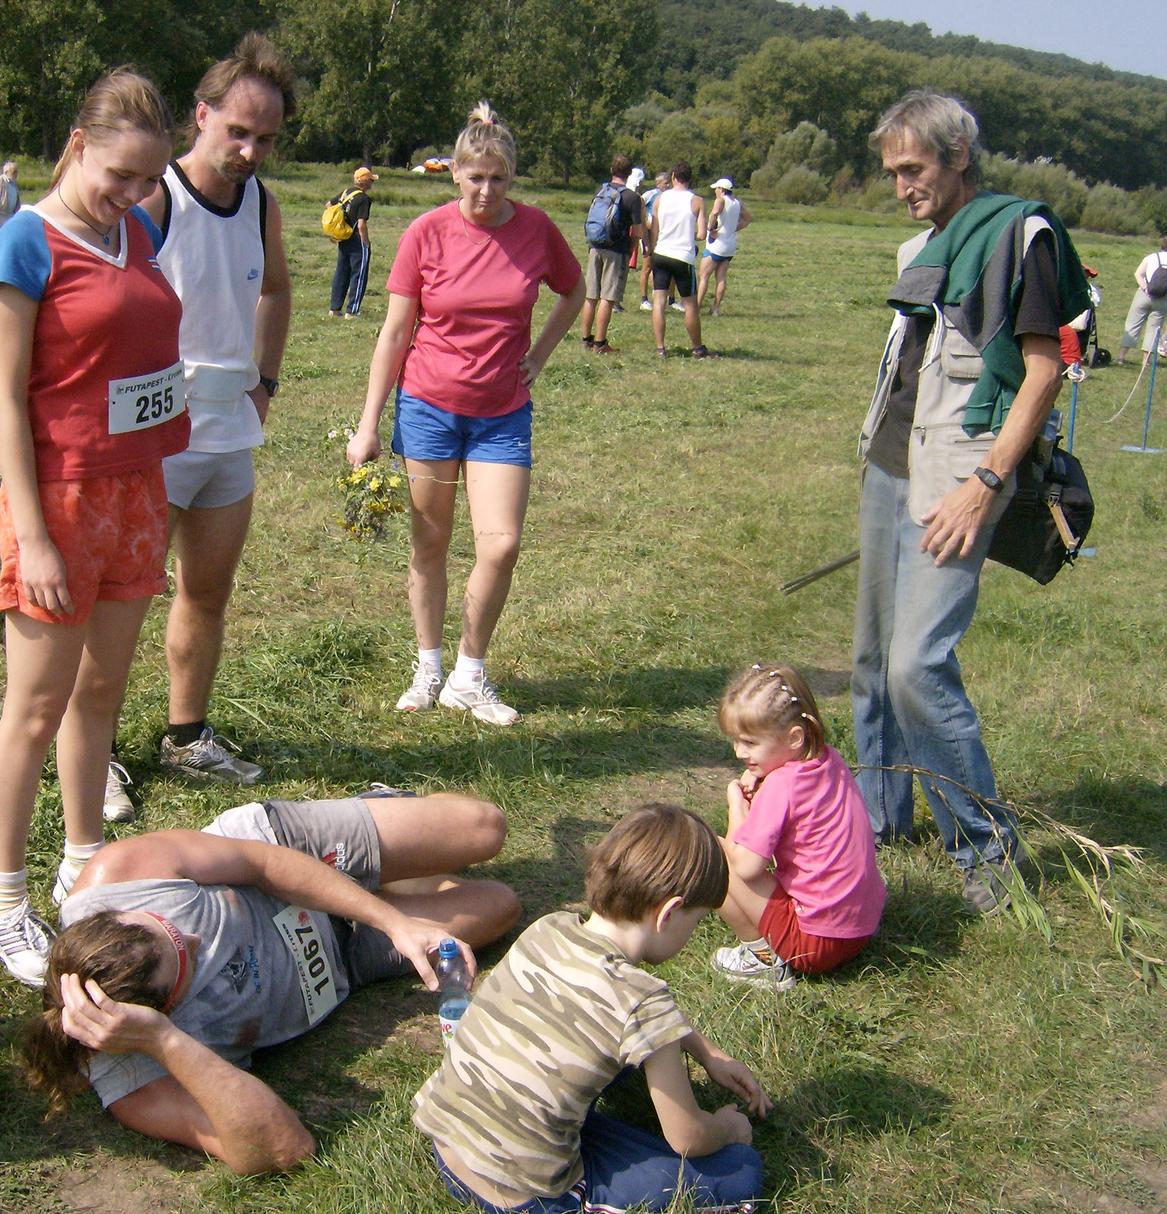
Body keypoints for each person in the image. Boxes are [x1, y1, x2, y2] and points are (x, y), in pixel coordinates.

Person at [0, 70, 186, 986]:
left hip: (136, 491)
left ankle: (82, 867)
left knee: (101, 697)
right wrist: (36, 533)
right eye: (121, 174)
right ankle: (3, 902)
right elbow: (5, 404)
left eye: (150, 179)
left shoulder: (134, 230)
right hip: (57, 502)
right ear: (76, 143)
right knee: (35, 708)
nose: (135, 195)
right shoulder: (22, 246)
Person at [854, 90, 1089, 914]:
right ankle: (876, 822)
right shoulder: (923, 243)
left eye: (913, 168)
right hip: (891, 463)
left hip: (960, 478)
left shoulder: (1021, 235)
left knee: (917, 664)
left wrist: (985, 481)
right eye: (892, 173)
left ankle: (989, 857)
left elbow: (1043, 370)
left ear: (959, 156)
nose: (902, 186)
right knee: (872, 664)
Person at [22, 790, 521, 1174]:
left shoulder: (119, 876)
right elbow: (286, 1147)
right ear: (160, 1010)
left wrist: (394, 923)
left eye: (170, 928)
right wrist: (166, 1043)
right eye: (185, 960)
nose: (196, 941)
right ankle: (395, 877)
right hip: (340, 962)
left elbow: (258, 863)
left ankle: (378, 830)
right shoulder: (135, 1083)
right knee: (500, 905)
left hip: (289, 855)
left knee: (486, 828)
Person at [346, 104, 584, 727]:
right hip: (427, 406)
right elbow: (395, 333)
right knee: (430, 541)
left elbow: (573, 290)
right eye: (474, 177)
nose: (485, 191)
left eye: (498, 179)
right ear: (454, 173)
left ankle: (468, 675)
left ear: (511, 180)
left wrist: (539, 354)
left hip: (502, 412)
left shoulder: (535, 230)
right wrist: (369, 424)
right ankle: (428, 667)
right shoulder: (425, 233)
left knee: (501, 545)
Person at [413, 802, 767, 1213]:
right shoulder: (641, 1001)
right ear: (669, 914)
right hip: (526, 1196)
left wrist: (705, 1052)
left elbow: (640, 1019)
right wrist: (726, 1127)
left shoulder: (548, 928)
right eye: (699, 920)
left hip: (448, 1149)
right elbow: (687, 1136)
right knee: (740, 1171)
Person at [121, 32, 294, 797]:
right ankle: (91, 757)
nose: (251, 150)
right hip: (153, 437)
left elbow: (276, 290)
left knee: (206, 594)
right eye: (238, 131)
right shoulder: (155, 194)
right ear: (201, 115)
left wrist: (265, 379)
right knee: (122, 599)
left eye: (266, 138)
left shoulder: (261, 204)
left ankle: (185, 736)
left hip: (228, 434)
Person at [710, 664, 885, 991]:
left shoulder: (783, 785)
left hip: (815, 943)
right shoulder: (829, 760)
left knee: (706, 854)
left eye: (749, 742)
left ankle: (762, 961)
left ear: (793, 738)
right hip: (859, 926)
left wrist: (737, 805)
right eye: (735, 740)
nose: (738, 752)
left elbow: (746, 867)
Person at [647, 161, 716, 358]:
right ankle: (698, 348)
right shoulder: (697, 201)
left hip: (661, 253)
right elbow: (702, 234)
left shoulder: (660, 199)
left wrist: (651, 251)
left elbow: (655, 229)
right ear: (690, 178)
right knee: (690, 305)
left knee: (659, 302)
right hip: (682, 257)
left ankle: (660, 347)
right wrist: (687, 233)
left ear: (673, 177)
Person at [579, 153, 644, 354]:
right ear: (629, 173)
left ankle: (585, 340)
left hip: (595, 246)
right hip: (616, 250)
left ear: (611, 171)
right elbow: (639, 231)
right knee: (607, 297)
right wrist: (631, 248)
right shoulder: (632, 198)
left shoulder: (601, 190)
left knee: (591, 296)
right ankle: (600, 343)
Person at [696, 177, 751, 317]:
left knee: (703, 276)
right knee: (721, 278)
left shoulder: (720, 200)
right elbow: (748, 218)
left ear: (721, 189)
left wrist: (710, 228)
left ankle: (696, 306)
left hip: (716, 245)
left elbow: (715, 213)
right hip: (730, 245)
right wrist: (734, 229)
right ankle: (715, 308)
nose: (715, 191)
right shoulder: (737, 202)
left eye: (716, 188)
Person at [328, 166, 377, 318]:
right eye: (371, 180)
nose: (372, 183)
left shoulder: (346, 193)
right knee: (359, 274)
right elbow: (361, 224)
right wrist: (366, 242)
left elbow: (329, 205)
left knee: (341, 273)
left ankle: (334, 309)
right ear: (366, 182)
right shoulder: (364, 199)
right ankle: (352, 311)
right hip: (357, 240)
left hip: (344, 238)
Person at [1117, 234, 1167, 364]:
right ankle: (1146, 360)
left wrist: (1145, 288)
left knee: (1133, 325)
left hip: (1144, 295)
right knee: (1154, 328)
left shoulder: (1151, 257)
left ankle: (1121, 357)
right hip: (1162, 299)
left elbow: (1138, 273)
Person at [636, 171, 669, 312]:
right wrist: (645, 223)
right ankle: (644, 299)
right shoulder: (650, 194)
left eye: (669, 182)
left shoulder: (670, 196)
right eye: (665, 182)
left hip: (663, 235)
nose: (668, 185)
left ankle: (662, 296)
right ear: (658, 184)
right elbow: (638, 205)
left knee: (661, 267)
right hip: (649, 235)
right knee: (647, 266)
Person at [0, 161, 20, 230]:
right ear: (6, 172)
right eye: (14, 172)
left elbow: (17, 198)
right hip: (0, 215)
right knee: (3, 237)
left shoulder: (14, 183)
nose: (16, 174)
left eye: (16, 172)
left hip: (11, 214)